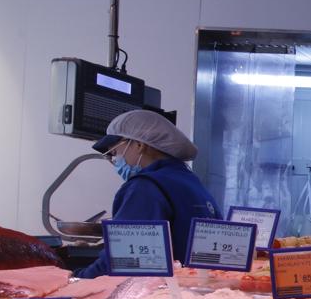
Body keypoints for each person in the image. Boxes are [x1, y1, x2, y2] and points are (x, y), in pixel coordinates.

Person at [77, 109, 221, 278]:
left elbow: (122, 259)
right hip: (192, 289)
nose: (115, 161)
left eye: (115, 152)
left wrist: (78, 279)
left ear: (139, 145)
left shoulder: (144, 187)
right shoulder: (190, 181)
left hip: (159, 293)